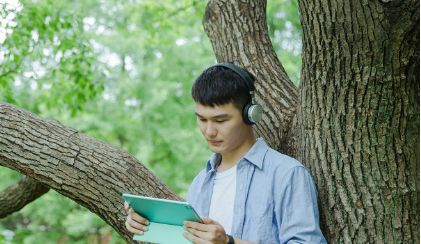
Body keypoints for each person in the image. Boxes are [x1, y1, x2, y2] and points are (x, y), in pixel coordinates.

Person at [125, 63, 327, 243]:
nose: (209, 131)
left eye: (220, 120)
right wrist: (148, 227)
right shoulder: (199, 183)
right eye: (202, 120)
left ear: (251, 115)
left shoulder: (287, 174)